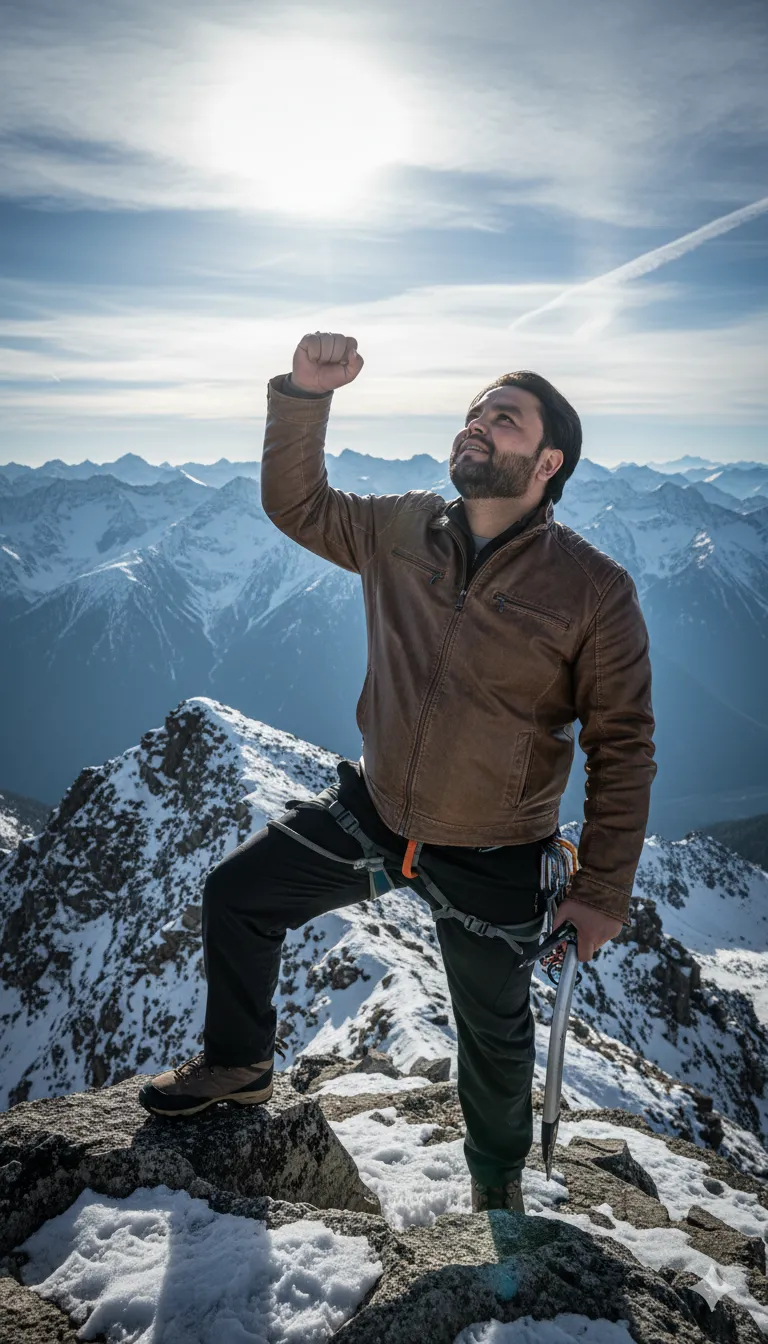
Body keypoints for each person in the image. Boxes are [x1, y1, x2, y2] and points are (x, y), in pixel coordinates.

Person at [140, 332, 656, 1214]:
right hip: (377, 812)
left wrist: (602, 891)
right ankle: (240, 1063)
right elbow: (299, 505)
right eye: (473, 414)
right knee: (239, 894)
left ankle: (496, 1189)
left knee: (492, 1037)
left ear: (548, 460)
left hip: (497, 847)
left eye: (503, 419)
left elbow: (623, 742)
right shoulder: (402, 526)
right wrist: (304, 396)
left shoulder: (592, 591)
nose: (476, 427)